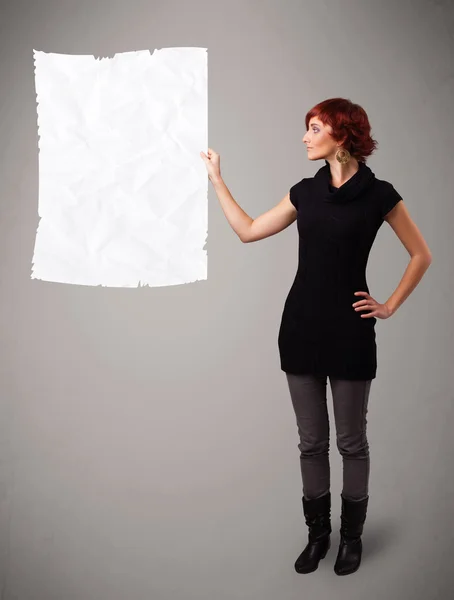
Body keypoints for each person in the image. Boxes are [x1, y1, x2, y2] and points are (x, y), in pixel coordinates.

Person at [200, 97, 432, 576]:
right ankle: (317, 536)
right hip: (300, 328)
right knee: (310, 443)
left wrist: (387, 304)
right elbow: (247, 231)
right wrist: (217, 180)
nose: (305, 137)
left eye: (313, 127)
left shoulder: (379, 194)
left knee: (352, 442)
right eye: (307, 129)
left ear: (341, 135)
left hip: (350, 331)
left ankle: (351, 538)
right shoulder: (304, 192)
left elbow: (421, 255)